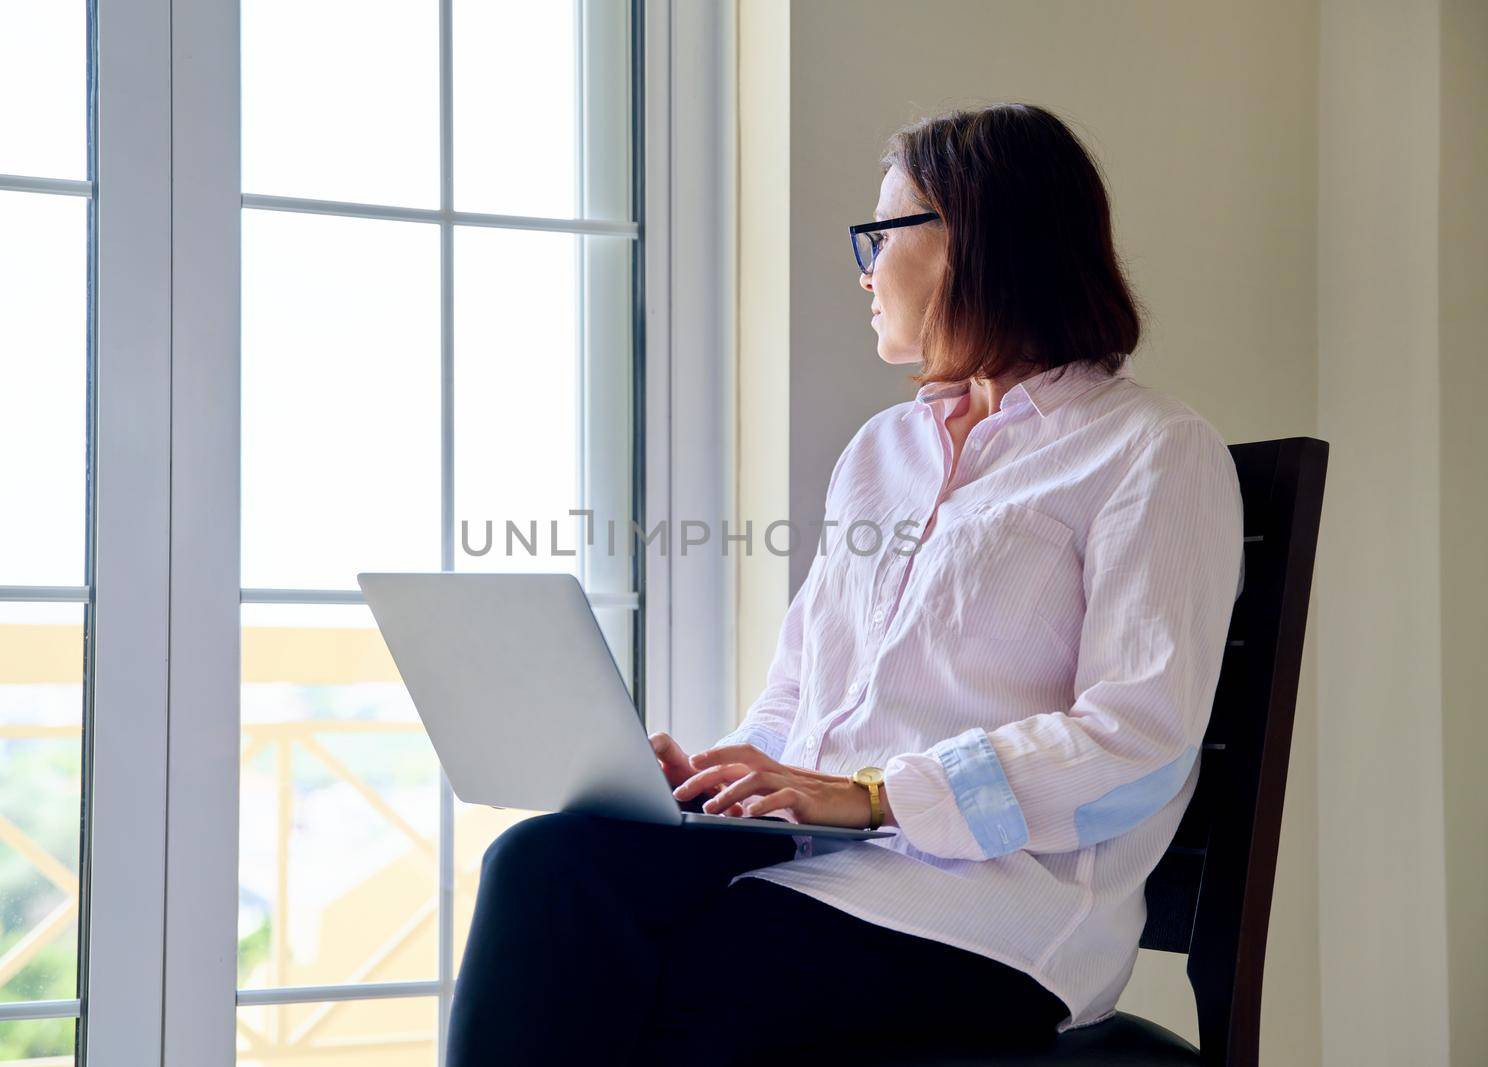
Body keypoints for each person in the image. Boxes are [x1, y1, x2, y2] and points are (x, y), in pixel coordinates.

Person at [444, 102, 1245, 1067]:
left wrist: (875, 795)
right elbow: (801, 697)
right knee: (544, 865)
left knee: (671, 989)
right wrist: (722, 775)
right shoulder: (882, 453)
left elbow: (1139, 742)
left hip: (986, 916)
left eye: (879, 235)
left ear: (969, 239)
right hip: (816, 867)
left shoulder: (1153, 452)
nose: (862, 268)